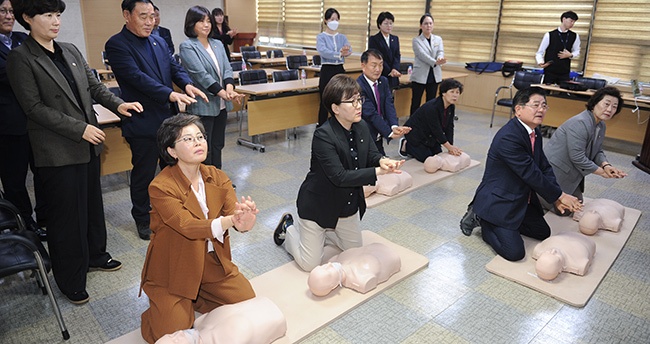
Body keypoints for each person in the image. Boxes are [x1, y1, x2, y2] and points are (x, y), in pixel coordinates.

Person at [7, 0, 143, 304]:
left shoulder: (69, 49)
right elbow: (33, 108)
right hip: (56, 150)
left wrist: (117, 104)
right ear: (27, 18)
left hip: (88, 146)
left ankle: (96, 254)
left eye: (58, 14)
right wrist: (79, 128)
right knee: (66, 217)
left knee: (93, 207)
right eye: (47, 14)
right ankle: (70, 279)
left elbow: (94, 87)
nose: (55, 21)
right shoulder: (21, 58)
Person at [140, 114, 258, 343]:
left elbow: (235, 214)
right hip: (173, 268)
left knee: (247, 300)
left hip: (211, 264)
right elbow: (187, 225)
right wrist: (229, 221)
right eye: (188, 139)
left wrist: (244, 221)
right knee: (170, 332)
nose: (198, 142)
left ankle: (198, 296)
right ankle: (157, 310)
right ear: (171, 151)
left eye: (200, 137)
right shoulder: (160, 186)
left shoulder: (217, 176)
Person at [273, 75, 404, 272]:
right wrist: (378, 171)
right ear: (335, 108)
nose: (358, 105)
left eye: (359, 99)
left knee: (355, 253)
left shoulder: (361, 126)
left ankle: (325, 234)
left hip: (346, 206)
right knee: (310, 264)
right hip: (318, 206)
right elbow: (339, 177)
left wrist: (381, 160)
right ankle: (289, 228)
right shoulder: (323, 135)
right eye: (351, 101)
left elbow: (371, 153)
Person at [105, 0, 207, 240]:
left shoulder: (159, 40)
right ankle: (142, 218)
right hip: (142, 121)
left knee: (173, 169)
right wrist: (170, 93)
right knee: (144, 173)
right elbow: (136, 77)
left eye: (152, 16)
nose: (150, 22)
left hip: (168, 120)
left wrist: (187, 84)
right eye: (143, 17)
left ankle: (174, 210)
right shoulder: (117, 44)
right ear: (127, 15)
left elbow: (173, 67)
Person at [459, 87, 582, 261]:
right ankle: (484, 220)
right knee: (514, 253)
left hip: (520, 197)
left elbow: (544, 167)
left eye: (544, 106)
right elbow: (531, 174)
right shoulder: (509, 137)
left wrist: (556, 198)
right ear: (518, 109)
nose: (541, 110)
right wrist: (560, 195)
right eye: (536, 105)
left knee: (543, 232)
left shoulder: (534, 131)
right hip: (500, 199)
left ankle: (507, 226)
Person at [0, 0, 46, 239]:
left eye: (10, 11)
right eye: (2, 11)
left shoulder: (21, 38)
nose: (8, 16)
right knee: (15, 179)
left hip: (36, 122)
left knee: (42, 172)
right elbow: (12, 76)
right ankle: (25, 225)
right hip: (8, 125)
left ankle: (45, 218)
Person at [543, 86, 627, 214]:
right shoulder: (580, 123)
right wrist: (602, 172)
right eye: (606, 104)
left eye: (614, 107)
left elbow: (597, 150)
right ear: (595, 103)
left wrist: (607, 165)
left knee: (578, 206)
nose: (609, 109)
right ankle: (536, 194)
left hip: (572, 171)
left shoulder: (600, 124)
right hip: (555, 171)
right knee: (566, 211)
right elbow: (577, 157)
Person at [179, 6, 243, 169]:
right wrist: (224, 93)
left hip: (221, 104)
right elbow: (201, 75)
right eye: (201, 21)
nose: (206, 25)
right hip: (203, 104)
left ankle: (217, 178)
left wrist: (229, 88)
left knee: (218, 144)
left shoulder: (217, 44)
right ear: (191, 24)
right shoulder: (188, 46)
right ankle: (206, 182)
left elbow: (227, 68)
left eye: (208, 21)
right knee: (203, 148)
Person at [155, 296, 287, 344]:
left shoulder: (200, 323)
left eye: (171, 335)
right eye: (176, 341)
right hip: (276, 319)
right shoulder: (228, 340)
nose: (178, 334)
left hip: (263, 306)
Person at [356, 49, 410, 155]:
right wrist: (389, 133)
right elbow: (370, 113)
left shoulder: (383, 81)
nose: (378, 69)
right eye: (374, 65)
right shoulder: (358, 86)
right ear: (363, 66)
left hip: (378, 134)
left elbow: (388, 104)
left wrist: (394, 126)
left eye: (381, 65)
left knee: (383, 162)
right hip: (365, 135)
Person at [401, 78, 464, 162]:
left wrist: (450, 147)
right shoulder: (432, 107)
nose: (455, 95)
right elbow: (436, 129)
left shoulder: (451, 106)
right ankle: (406, 144)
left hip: (431, 136)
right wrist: (449, 147)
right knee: (427, 159)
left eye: (457, 92)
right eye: (452, 92)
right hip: (417, 134)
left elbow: (449, 127)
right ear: (443, 93)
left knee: (438, 156)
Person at [308, 243, 401, 296]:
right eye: (329, 273)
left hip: (377, 247)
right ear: (333, 286)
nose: (328, 265)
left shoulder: (334, 261)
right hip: (392, 256)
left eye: (323, 266)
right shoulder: (362, 279)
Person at [316, 8, 352, 126]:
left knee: (341, 100)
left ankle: (339, 126)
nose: (335, 22)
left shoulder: (342, 37)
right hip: (327, 70)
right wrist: (339, 54)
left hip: (339, 69)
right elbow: (323, 51)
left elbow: (349, 49)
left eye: (337, 19)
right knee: (325, 100)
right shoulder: (321, 37)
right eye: (332, 19)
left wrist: (346, 52)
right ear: (326, 20)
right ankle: (322, 127)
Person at [410, 13, 446, 115]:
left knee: (431, 102)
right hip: (420, 75)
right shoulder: (416, 40)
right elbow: (422, 55)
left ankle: (428, 123)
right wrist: (435, 62)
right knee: (416, 101)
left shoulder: (438, 39)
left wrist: (440, 58)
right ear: (421, 26)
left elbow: (440, 51)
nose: (428, 26)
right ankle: (413, 123)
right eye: (426, 23)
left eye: (430, 23)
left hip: (434, 75)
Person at [535, 11, 581, 85]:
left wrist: (570, 55)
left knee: (563, 94)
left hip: (564, 71)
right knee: (546, 92)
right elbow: (540, 52)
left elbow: (577, 51)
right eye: (571, 21)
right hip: (550, 70)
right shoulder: (549, 35)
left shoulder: (575, 36)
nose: (572, 24)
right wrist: (541, 62)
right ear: (564, 19)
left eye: (574, 22)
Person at [532, 232, 596, 281]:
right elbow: (584, 263)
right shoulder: (578, 259)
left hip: (562, 234)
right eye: (555, 255)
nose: (553, 251)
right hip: (586, 241)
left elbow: (538, 248)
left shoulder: (541, 248)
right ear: (560, 269)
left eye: (547, 252)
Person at [368, 11, 401, 89]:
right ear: (379, 25)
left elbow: (397, 55)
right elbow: (377, 57)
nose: (389, 26)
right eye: (386, 23)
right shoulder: (374, 39)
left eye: (391, 23)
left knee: (392, 98)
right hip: (381, 74)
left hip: (393, 75)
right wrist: (389, 71)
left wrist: (394, 69)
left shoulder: (395, 38)